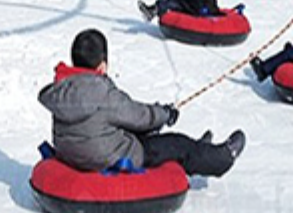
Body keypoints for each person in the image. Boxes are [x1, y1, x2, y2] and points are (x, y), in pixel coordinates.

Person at [38, 29, 245, 177]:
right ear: (102, 66)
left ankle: (199, 149)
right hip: (111, 158)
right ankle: (221, 158)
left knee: (139, 132)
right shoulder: (101, 92)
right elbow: (139, 116)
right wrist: (165, 114)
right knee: (175, 144)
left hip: (75, 155)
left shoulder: (63, 90)